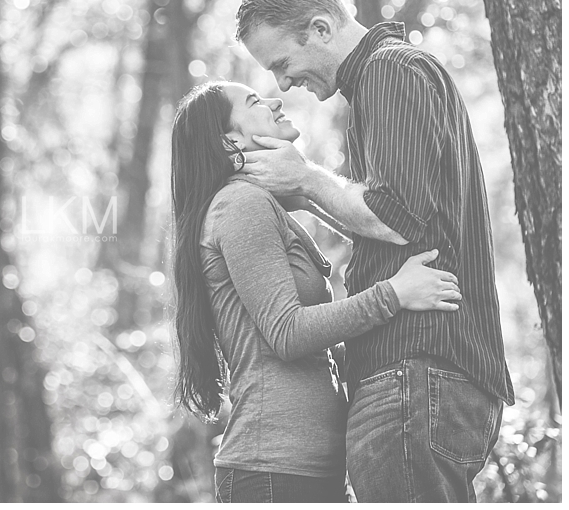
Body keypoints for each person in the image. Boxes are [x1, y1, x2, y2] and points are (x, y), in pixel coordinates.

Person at [233, 0, 514, 503]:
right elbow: (395, 230)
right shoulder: (377, 87)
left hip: (416, 368)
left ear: (319, 28)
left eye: (282, 64)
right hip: (415, 378)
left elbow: (394, 216)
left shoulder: (392, 71)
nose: (283, 84)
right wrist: (307, 195)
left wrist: (307, 177)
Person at [170, 80, 462, 503]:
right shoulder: (239, 205)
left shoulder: (259, 202)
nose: (273, 99)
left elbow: (306, 349)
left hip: (305, 472)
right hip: (274, 473)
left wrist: (306, 192)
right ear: (230, 139)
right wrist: (393, 294)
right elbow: (288, 334)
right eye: (253, 101)